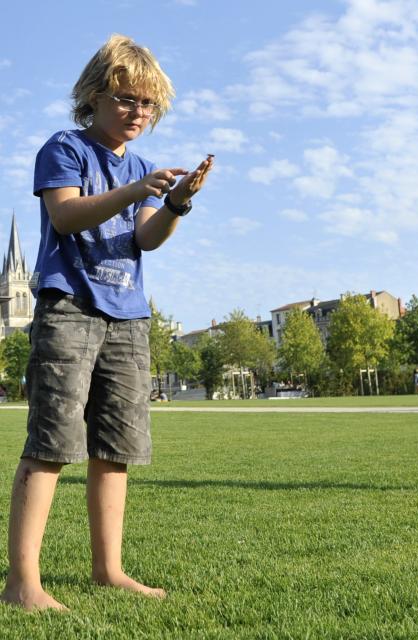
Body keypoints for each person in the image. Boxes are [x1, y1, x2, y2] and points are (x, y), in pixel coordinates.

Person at [0, 34, 214, 611]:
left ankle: (108, 570)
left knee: (114, 449)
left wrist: (175, 204)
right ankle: (22, 584)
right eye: (125, 99)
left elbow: (146, 238)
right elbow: (67, 216)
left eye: (147, 104)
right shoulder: (65, 148)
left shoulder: (142, 166)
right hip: (68, 308)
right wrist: (134, 190)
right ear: (93, 96)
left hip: (128, 316)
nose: (137, 112)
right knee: (51, 444)